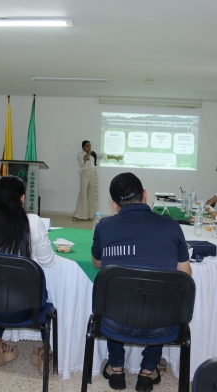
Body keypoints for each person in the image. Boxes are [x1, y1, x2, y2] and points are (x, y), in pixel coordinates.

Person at [91, 172, 192, 392]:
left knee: (115, 297)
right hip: (161, 327)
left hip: (112, 324)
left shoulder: (104, 226)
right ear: (145, 195)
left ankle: (116, 367)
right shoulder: (171, 226)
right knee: (160, 300)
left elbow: (98, 263)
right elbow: (185, 275)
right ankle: (147, 371)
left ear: (115, 205)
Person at [0, 176, 56, 370]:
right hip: (25, 308)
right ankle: (46, 349)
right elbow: (48, 262)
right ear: (22, 198)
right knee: (36, 288)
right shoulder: (33, 221)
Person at [73, 140, 98, 221]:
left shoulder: (93, 154)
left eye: (90, 145)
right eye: (87, 146)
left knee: (92, 194)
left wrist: (114, 157)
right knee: (83, 193)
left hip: (93, 174)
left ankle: (91, 215)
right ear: (83, 147)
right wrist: (87, 154)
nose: (89, 147)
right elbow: (82, 164)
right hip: (85, 174)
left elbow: (102, 156)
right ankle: (80, 215)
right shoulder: (80, 154)